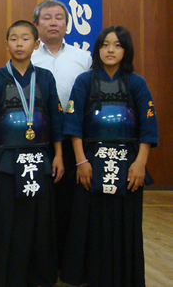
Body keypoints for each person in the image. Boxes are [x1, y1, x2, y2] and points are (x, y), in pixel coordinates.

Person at [60, 26, 158, 287]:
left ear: (126, 50)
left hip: (128, 162)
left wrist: (140, 163)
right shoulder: (85, 81)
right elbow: (73, 124)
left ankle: (124, 278)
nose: (110, 50)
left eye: (116, 45)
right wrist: (81, 161)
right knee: (88, 221)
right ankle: (87, 277)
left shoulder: (136, 83)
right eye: (105, 45)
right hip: (91, 160)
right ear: (98, 49)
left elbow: (148, 126)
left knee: (124, 222)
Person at [0, 20, 64, 287]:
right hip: (3, 159)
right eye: (14, 38)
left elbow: (56, 119)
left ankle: (36, 276)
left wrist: (58, 155)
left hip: (40, 158)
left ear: (36, 44)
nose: (19, 43)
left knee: (38, 220)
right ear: (7, 44)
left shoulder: (45, 78)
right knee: (3, 219)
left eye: (25, 39)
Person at [31, 0, 92, 264]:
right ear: (36, 24)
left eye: (59, 17)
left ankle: (68, 262)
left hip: (72, 139)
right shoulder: (26, 55)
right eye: (46, 17)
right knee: (40, 203)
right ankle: (41, 261)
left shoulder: (83, 58)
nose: (53, 22)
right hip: (37, 140)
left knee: (69, 203)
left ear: (67, 24)